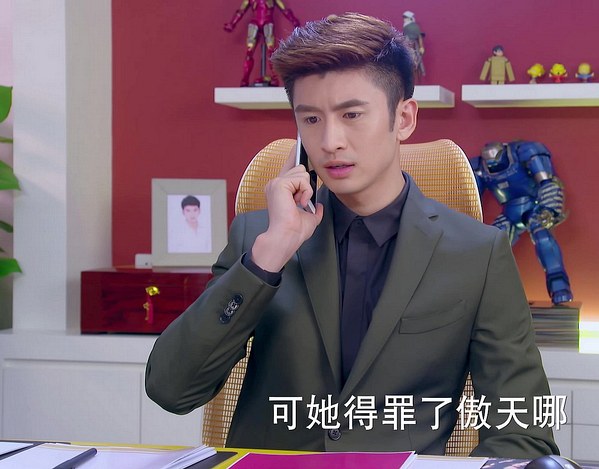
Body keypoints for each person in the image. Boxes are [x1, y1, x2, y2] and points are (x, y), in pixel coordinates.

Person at [146, 13, 558, 457]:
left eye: (352, 114)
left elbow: (524, 431)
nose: (330, 141)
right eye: (311, 119)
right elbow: (171, 390)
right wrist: (266, 258)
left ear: (403, 119)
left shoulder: (477, 254)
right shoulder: (258, 239)